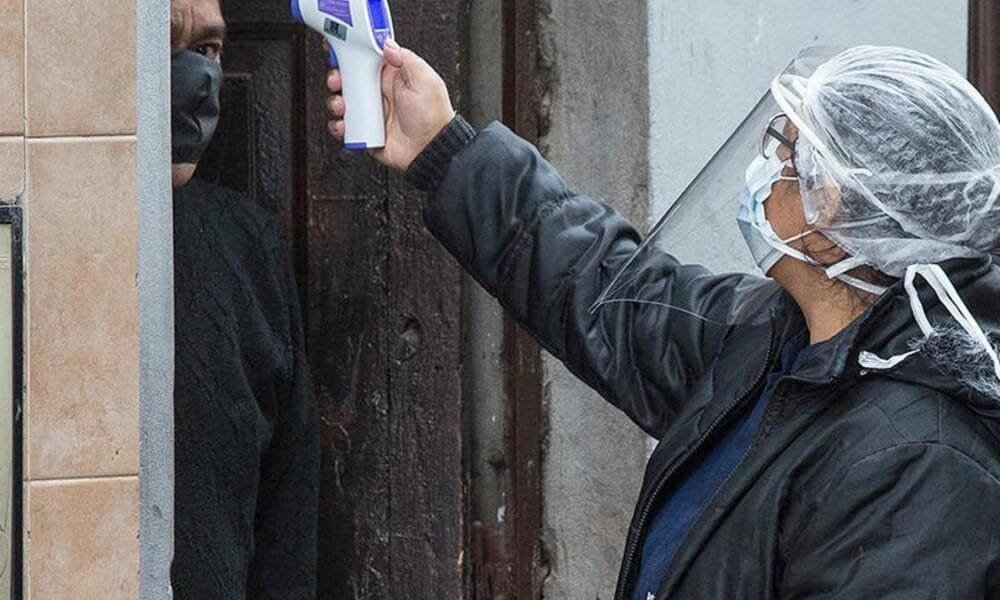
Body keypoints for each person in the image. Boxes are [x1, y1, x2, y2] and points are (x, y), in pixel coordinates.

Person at [327, 41, 1000, 598]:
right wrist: (444, 149)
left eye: (787, 153)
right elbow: (605, 290)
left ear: (833, 212)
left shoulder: (918, 466)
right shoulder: (779, 340)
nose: (764, 167)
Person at [170, 1, 319, 597]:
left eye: (206, 49)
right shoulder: (36, 240)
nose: (193, 74)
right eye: (161, 44)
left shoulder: (246, 245)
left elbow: (288, 501)